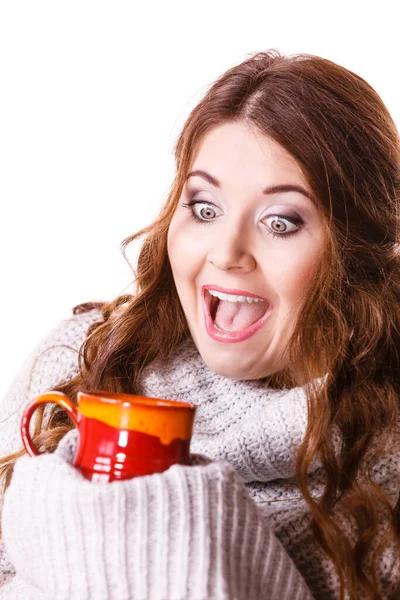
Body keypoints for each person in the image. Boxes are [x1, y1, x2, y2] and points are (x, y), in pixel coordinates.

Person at [0, 49, 399, 600]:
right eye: (205, 209)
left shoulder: (384, 465)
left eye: (279, 221)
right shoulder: (84, 359)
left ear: (360, 254)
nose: (227, 252)